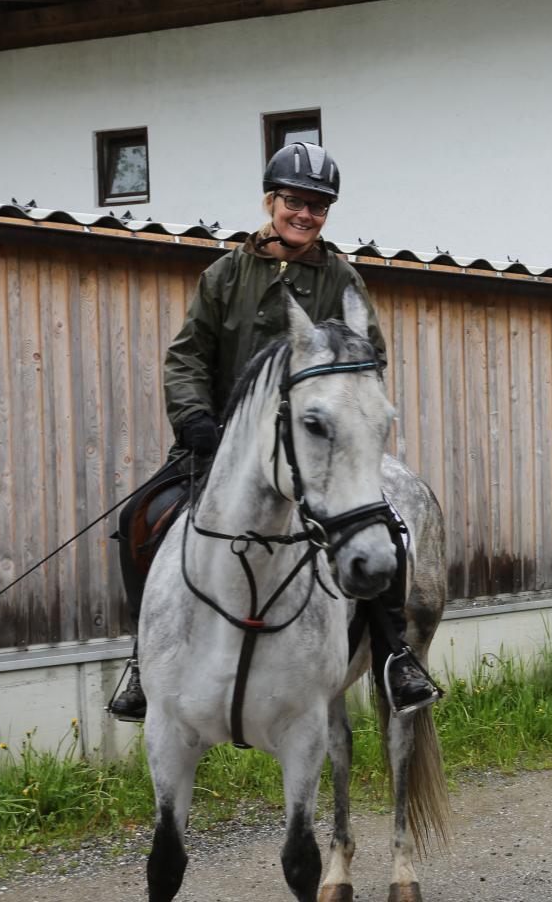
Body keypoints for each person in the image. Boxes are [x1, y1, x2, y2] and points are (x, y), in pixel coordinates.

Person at [107, 141, 443, 720]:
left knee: (381, 528)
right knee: (140, 516)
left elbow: (368, 359)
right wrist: (193, 417)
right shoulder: (225, 274)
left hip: (310, 450)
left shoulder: (342, 279)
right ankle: (144, 658)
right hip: (223, 447)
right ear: (271, 201)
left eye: (318, 206)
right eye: (295, 202)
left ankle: (395, 654)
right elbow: (187, 357)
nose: (305, 215)